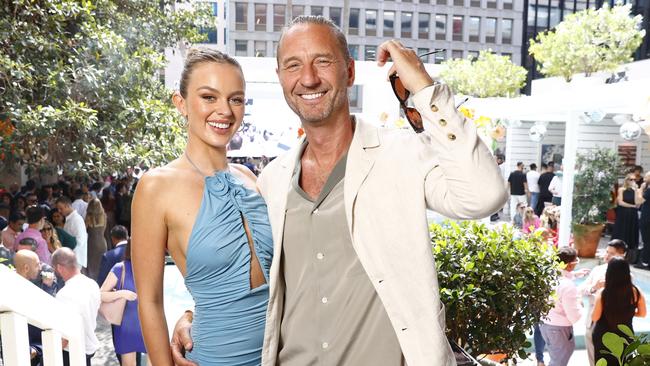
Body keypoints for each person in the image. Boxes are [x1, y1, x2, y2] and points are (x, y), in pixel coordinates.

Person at [171, 16, 507, 366]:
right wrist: (196, 317)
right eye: (293, 65)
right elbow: (250, 278)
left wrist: (424, 89)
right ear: (281, 79)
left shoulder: (402, 154)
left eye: (323, 61)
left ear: (349, 72)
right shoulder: (272, 180)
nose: (308, 78)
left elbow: (484, 196)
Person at [132, 48, 273, 366]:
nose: (224, 110)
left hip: (284, 351)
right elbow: (150, 301)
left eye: (235, 99)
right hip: (216, 357)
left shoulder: (250, 179)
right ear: (180, 103)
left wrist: (188, 313)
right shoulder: (156, 187)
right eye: (209, 97)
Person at [579, 239, 628, 365]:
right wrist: (593, 287)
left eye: (611, 254)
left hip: (615, 324)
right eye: (606, 252)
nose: (606, 256)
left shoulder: (627, 276)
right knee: (593, 358)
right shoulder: (597, 270)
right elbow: (581, 290)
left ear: (622, 255)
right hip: (593, 322)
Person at [100, 240, 147, 366]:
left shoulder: (152, 267)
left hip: (148, 322)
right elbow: (101, 294)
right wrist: (122, 293)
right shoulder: (120, 268)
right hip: (126, 324)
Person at [592, 257, 646, 365]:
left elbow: (595, 317)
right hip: (626, 335)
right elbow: (642, 314)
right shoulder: (636, 292)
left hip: (604, 336)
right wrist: (628, 313)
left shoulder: (603, 293)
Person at [51, 247, 100, 366]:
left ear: (59, 268)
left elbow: (66, 333)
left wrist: (52, 355)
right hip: (88, 347)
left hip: (71, 352)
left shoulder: (64, 294)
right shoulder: (92, 284)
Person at [539, 247, 584, 366]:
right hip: (559, 329)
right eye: (576, 261)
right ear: (569, 265)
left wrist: (574, 275)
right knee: (558, 362)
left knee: (555, 358)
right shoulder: (568, 286)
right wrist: (580, 302)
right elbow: (574, 317)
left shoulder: (548, 276)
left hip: (545, 325)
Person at [612, 174, 640, 263]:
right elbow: (620, 202)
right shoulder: (621, 189)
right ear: (626, 180)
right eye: (630, 179)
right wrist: (632, 206)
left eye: (634, 179)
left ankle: (629, 256)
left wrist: (636, 190)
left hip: (632, 215)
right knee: (621, 232)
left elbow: (638, 204)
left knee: (630, 233)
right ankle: (616, 251)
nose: (632, 181)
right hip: (623, 214)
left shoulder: (636, 190)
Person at [55, 196, 88, 269]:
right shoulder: (69, 219)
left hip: (75, 259)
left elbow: (80, 241)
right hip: (70, 258)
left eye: (61, 208)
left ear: (67, 206)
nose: (59, 211)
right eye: (58, 209)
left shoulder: (77, 219)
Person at [85, 198, 108, 280]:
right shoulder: (104, 216)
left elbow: (85, 230)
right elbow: (104, 229)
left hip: (91, 243)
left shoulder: (88, 217)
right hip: (102, 242)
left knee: (92, 265)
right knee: (101, 264)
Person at [636, 172, 650, 269]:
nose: (644, 178)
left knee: (647, 241)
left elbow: (639, 201)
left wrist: (640, 189)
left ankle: (645, 262)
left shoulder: (649, 190)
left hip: (647, 218)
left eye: (646, 176)